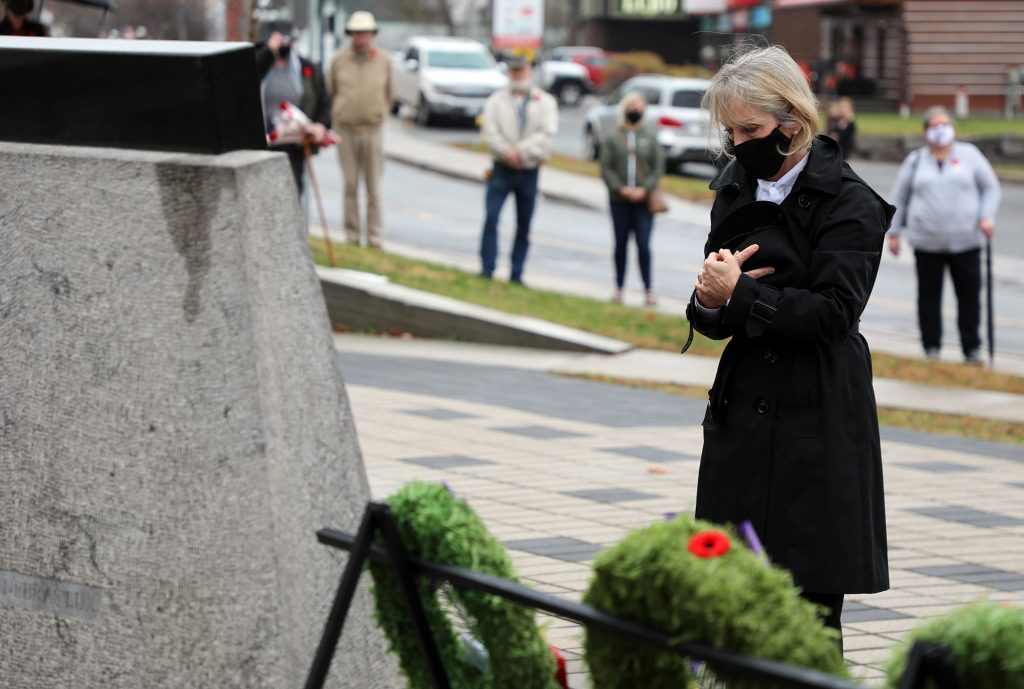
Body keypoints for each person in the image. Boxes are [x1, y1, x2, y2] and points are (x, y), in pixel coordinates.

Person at [686, 45, 894, 647]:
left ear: (793, 122)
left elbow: (835, 313)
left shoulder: (850, 201)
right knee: (731, 589)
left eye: (750, 129)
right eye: (730, 131)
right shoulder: (735, 185)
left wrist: (742, 298)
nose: (739, 143)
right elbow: (717, 304)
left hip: (818, 406)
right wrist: (709, 300)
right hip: (745, 407)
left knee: (808, 602)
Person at [888, 106, 1001, 365]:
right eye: (934, 125)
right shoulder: (916, 160)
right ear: (926, 131)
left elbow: (990, 188)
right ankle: (931, 347)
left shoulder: (970, 155)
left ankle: (971, 348)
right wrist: (894, 232)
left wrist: (986, 216)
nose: (940, 130)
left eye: (944, 124)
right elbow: (900, 197)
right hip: (927, 242)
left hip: (967, 241)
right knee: (929, 296)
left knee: (969, 296)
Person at [478, 54, 558, 284]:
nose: (517, 76)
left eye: (521, 71)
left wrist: (521, 152)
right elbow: (490, 133)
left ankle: (517, 272)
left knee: (524, 224)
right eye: (513, 71)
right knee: (491, 218)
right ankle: (487, 268)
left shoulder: (545, 102)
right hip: (502, 169)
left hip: (529, 170)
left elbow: (546, 135)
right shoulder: (496, 101)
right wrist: (507, 152)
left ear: (530, 71)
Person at [328, 11, 392, 248]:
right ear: (351, 34)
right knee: (350, 184)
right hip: (346, 129)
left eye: (365, 33)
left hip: (372, 129)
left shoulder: (383, 61)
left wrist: (380, 113)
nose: (361, 37)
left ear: (371, 35)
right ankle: (352, 234)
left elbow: (390, 93)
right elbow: (332, 90)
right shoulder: (339, 60)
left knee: (374, 187)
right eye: (357, 33)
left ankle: (374, 236)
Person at [599, 91, 664, 306]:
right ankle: (618, 288)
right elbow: (606, 168)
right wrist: (620, 189)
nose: (636, 110)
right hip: (620, 201)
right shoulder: (613, 137)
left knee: (643, 245)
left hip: (643, 202)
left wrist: (644, 189)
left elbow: (657, 167)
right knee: (620, 245)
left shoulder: (649, 136)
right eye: (632, 106)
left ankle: (648, 290)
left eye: (640, 106)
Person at [256, 31, 331, 196]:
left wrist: (321, 125)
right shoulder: (260, 59)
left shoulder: (306, 68)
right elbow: (249, 76)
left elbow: (323, 101)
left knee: (292, 192)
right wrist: (269, 52)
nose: (282, 43)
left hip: (294, 145)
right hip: (263, 144)